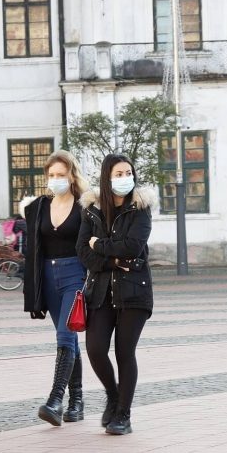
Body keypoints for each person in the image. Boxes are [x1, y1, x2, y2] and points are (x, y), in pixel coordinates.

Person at [76, 154, 154, 435]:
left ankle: (123, 414)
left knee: (124, 351)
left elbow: (133, 247)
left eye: (128, 173)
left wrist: (100, 244)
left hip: (134, 291)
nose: (125, 178)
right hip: (99, 291)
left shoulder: (140, 208)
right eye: (119, 174)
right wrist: (112, 260)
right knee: (95, 349)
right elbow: (82, 251)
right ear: (107, 178)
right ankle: (112, 394)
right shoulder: (91, 209)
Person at [23, 150, 91, 426]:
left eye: (61, 174)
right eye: (51, 175)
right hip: (48, 277)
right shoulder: (40, 206)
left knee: (64, 335)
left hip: (75, 274)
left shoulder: (85, 206)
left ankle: (55, 400)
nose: (55, 179)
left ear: (72, 175)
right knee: (69, 339)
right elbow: (33, 248)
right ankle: (77, 401)